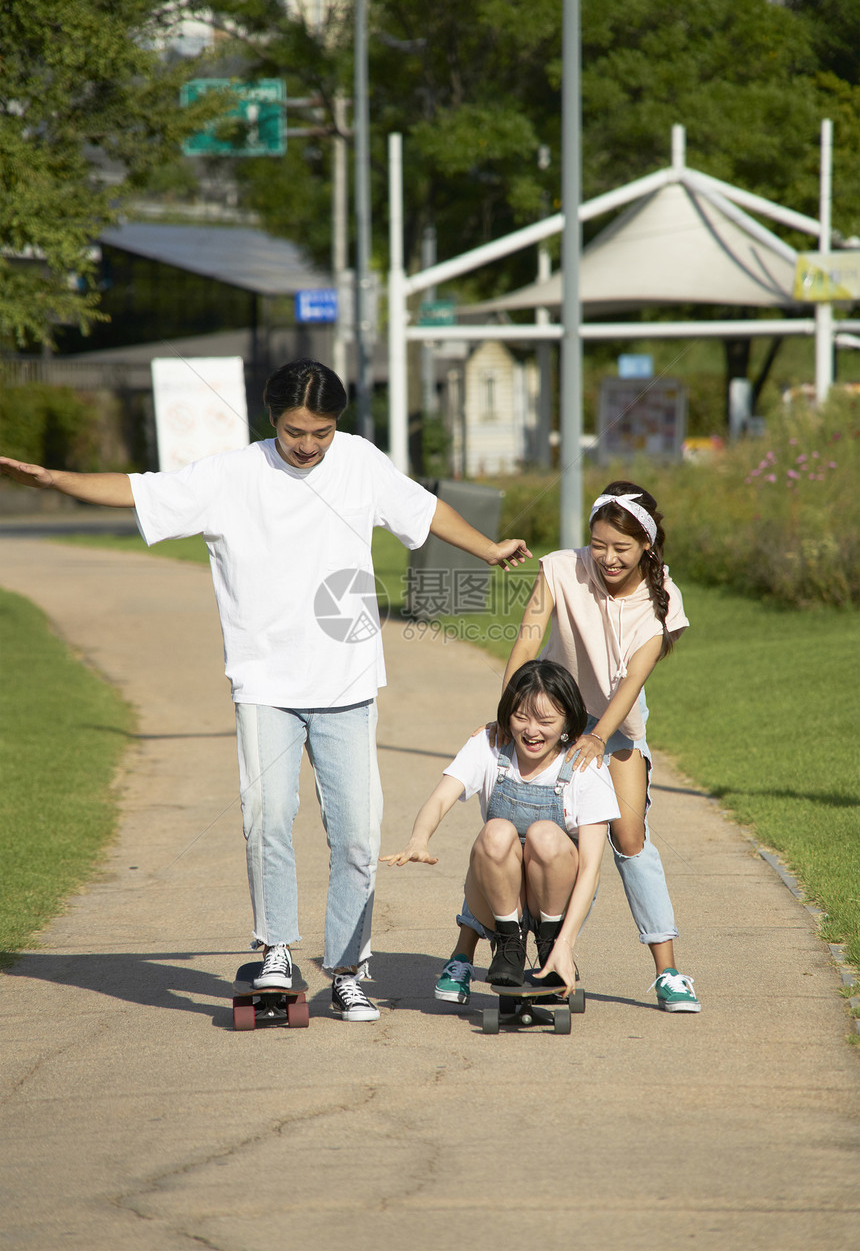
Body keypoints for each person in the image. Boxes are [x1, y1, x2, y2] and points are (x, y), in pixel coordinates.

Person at [0, 359, 532, 1022]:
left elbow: (423, 512)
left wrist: (487, 550)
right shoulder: (230, 475)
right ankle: (275, 945)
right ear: (270, 419)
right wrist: (50, 478)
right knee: (266, 816)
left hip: (347, 682)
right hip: (265, 685)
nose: (308, 444)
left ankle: (345, 969)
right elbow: (137, 490)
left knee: (359, 832)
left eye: (322, 431)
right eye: (294, 431)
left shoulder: (360, 462)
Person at [433, 481, 701, 1014]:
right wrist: (508, 718)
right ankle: (465, 955)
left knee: (628, 836)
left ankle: (668, 970)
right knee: (507, 824)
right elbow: (529, 638)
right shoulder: (561, 567)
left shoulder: (660, 595)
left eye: (621, 549)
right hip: (550, 711)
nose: (606, 558)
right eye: (598, 544)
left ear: (646, 545)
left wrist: (598, 737)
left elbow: (632, 682)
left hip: (614, 725)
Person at [382, 660, 617, 997]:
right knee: (497, 831)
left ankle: (549, 945)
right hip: (495, 900)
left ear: (567, 723)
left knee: (544, 835)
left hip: (556, 899)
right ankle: (508, 944)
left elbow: (591, 867)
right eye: (521, 717)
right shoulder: (489, 745)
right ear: (506, 715)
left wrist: (566, 941)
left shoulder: (585, 766)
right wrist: (419, 839)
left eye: (546, 721)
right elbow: (439, 799)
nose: (532, 731)